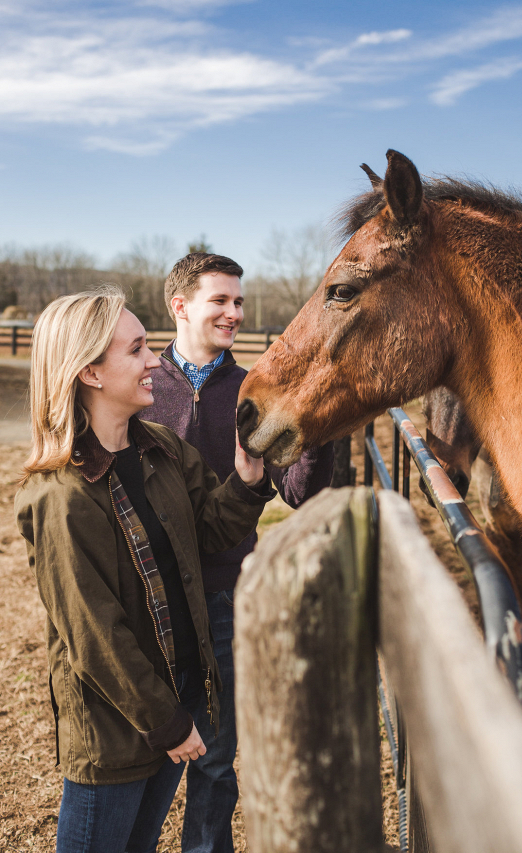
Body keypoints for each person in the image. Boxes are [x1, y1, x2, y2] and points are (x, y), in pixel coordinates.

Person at [14, 288, 275, 853]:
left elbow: (209, 530)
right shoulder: (61, 496)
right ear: (90, 372)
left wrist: (248, 478)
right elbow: (95, 635)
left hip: (174, 700)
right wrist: (169, 723)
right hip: (118, 730)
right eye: (136, 350)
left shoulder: (158, 448)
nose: (156, 360)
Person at [143, 251, 334, 853]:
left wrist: (322, 421)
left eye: (239, 302)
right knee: (145, 751)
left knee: (215, 760)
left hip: (225, 595)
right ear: (180, 306)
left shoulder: (253, 389)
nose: (235, 313)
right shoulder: (143, 384)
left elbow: (301, 492)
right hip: (151, 596)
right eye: (220, 300)